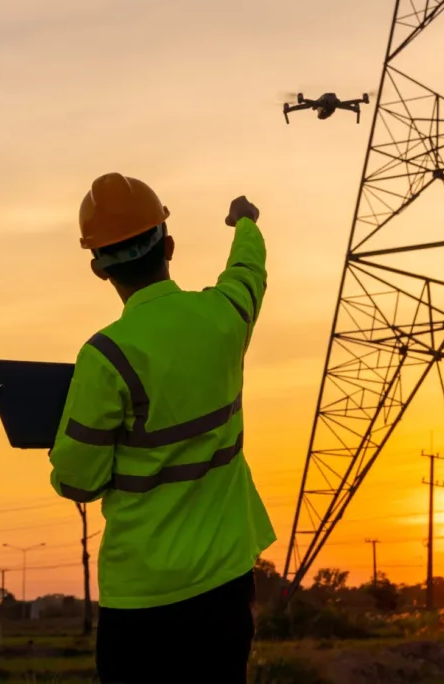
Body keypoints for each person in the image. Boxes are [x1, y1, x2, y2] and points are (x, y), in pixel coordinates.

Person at [49, 174, 275, 684]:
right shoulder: (224, 317)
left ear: (97, 267)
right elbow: (247, 271)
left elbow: (78, 481)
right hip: (224, 584)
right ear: (168, 244)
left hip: (140, 596)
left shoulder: (104, 356)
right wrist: (245, 221)